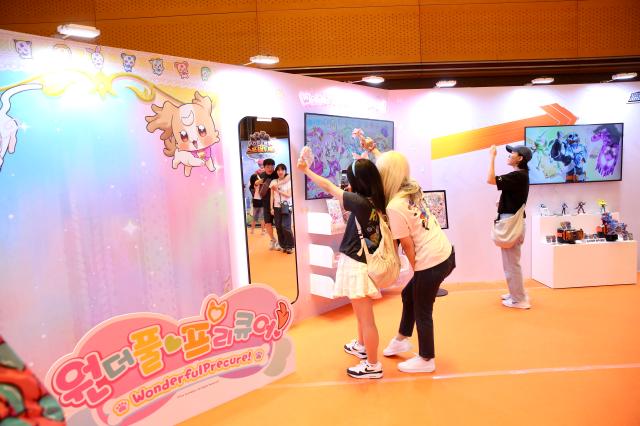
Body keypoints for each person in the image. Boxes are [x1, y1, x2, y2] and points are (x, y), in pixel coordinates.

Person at [297, 156, 387, 379]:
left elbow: (328, 186)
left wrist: (306, 170)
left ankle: (373, 365)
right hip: (358, 262)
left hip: (358, 265)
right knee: (359, 314)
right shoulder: (373, 200)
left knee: (365, 318)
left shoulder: (360, 202)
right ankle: (362, 346)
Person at [372, 151, 456, 374]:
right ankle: (401, 338)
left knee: (422, 309)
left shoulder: (394, 206)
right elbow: (394, 169)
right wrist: (374, 151)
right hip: (446, 254)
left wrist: (417, 272)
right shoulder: (412, 187)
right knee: (407, 294)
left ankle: (427, 359)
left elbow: (408, 246)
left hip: (431, 262)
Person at [487, 144, 532, 309]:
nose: (509, 155)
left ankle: (519, 300)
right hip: (514, 223)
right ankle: (516, 293)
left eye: (512, 153)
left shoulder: (518, 176)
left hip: (511, 224)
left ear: (520, 158)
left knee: (511, 264)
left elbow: (490, 179)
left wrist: (492, 157)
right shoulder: (520, 175)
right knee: (512, 262)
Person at [270, 164, 294, 254]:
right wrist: (271, 208)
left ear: (285, 171)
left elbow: (288, 195)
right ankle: (283, 245)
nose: (280, 172)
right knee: (279, 227)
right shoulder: (273, 181)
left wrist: (278, 190)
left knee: (285, 226)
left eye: (282, 170)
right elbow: (271, 196)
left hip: (287, 206)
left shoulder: (289, 181)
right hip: (276, 207)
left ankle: (290, 246)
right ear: (276, 171)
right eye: (278, 170)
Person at [255, 158, 280, 250]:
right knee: (267, 223)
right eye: (267, 166)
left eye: (272, 166)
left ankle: (280, 242)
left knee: (279, 224)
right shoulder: (262, 175)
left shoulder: (277, 174)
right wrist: (257, 182)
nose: (270, 168)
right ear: (264, 167)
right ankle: (273, 240)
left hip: (277, 203)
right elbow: (256, 184)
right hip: (266, 204)